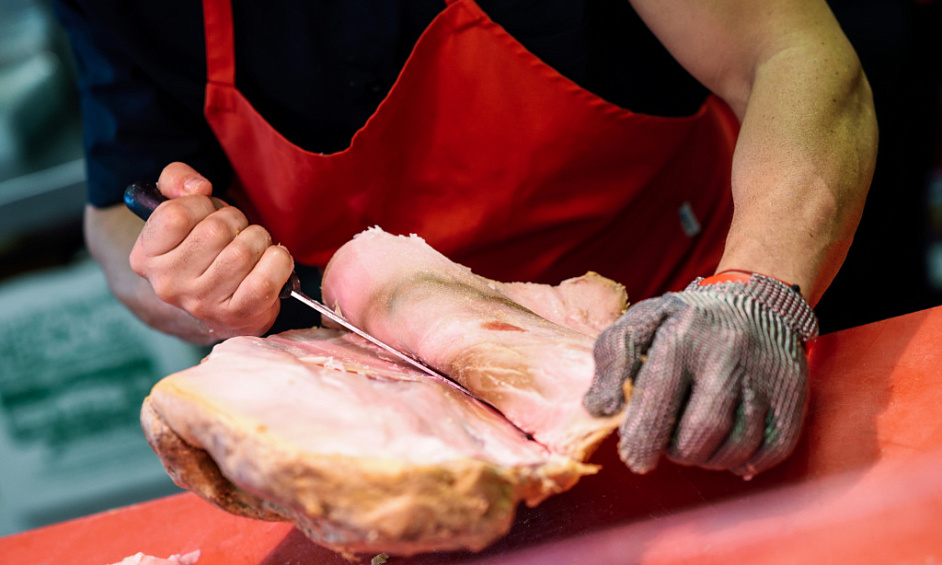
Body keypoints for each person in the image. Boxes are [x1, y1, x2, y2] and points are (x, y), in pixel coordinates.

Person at [53, 0, 877, 478]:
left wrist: (756, 290)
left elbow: (791, 51)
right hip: (418, 421)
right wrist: (186, 272)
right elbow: (114, 216)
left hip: (710, 336)